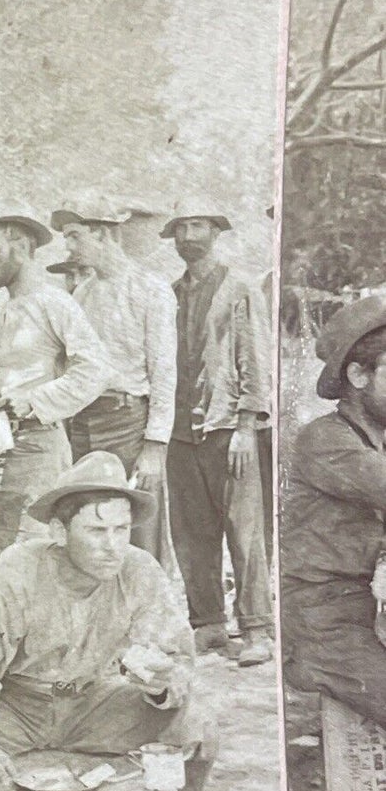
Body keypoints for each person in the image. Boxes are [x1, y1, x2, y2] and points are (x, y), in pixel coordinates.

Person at [0, 452, 227, 791]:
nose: (112, 545)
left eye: (121, 530)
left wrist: (160, 686)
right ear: (60, 533)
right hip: (20, 705)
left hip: (95, 702)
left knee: (198, 730)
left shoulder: (139, 570)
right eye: (96, 531)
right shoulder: (18, 569)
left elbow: (178, 661)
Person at [0, 198, 110, 571]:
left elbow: (96, 368)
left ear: (23, 248)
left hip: (37, 452)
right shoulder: (6, 311)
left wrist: (34, 400)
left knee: (36, 564)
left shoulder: (53, 303)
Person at [161, 202, 274, 667]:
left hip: (228, 425)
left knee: (244, 531)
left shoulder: (239, 289)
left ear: (215, 231)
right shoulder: (170, 293)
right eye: (182, 228)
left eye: (198, 225)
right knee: (191, 531)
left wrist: (248, 425)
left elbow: (255, 358)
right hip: (180, 431)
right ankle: (207, 624)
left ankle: (257, 629)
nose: (190, 235)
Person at [53, 194, 177, 557]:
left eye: (75, 236)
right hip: (83, 423)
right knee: (89, 526)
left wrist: (155, 445)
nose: (69, 246)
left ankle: (146, 609)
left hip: (128, 424)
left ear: (104, 235)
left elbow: (164, 371)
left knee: (135, 530)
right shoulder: (83, 294)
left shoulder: (150, 289)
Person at [281, 295, 386, 724]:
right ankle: (307, 667)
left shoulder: (375, 438)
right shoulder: (325, 440)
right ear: (359, 375)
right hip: (320, 617)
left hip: (362, 608)